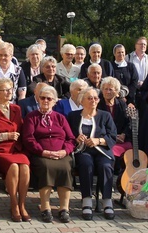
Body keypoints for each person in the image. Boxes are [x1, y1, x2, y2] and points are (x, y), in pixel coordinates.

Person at [22, 85, 77, 223]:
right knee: (46, 167)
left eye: (49, 98)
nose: (45, 100)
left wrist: (65, 151)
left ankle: (64, 209)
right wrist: (43, 152)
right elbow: (28, 139)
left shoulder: (60, 118)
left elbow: (71, 139)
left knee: (65, 167)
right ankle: (45, 208)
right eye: (42, 98)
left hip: (61, 154)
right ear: (38, 99)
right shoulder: (31, 117)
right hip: (41, 154)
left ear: (54, 101)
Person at [0, 78, 32, 222]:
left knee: (24, 166)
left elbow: (22, 129)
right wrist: (5, 136)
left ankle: (22, 204)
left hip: (16, 149)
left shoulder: (16, 109)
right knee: (13, 167)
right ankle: (13, 204)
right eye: (4, 90)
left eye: (10, 90)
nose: (8, 92)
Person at [68, 87, 118, 220]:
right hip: (83, 150)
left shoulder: (105, 116)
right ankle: (87, 200)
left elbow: (112, 136)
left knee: (105, 166)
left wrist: (99, 140)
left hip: (102, 151)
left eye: (95, 98)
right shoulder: (73, 116)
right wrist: (76, 139)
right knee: (86, 164)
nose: (93, 101)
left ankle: (107, 200)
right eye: (89, 98)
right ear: (82, 101)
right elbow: (68, 135)